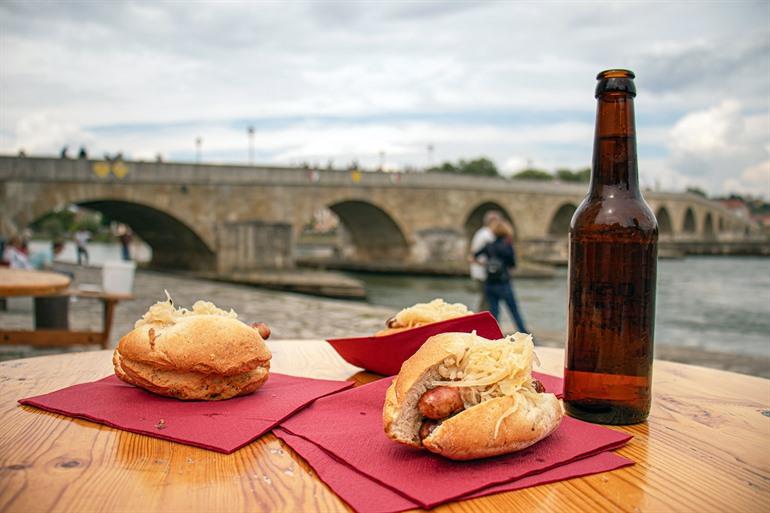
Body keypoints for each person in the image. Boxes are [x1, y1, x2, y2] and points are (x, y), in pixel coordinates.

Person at [474, 219, 528, 333]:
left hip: (490, 284)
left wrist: (485, 264)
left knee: (494, 313)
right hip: (504, 283)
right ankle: (525, 334)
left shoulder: (489, 246)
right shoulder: (507, 246)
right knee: (514, 311)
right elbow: (513, 265)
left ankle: (494, 336)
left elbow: (474, 256)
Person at [469, 210, 501, 312]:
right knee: (487, 301)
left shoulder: (480, 232)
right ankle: (482, 324)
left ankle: (481, 322)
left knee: (484, 299)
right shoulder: (488, 235)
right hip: (483, 273)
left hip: (477, 272)